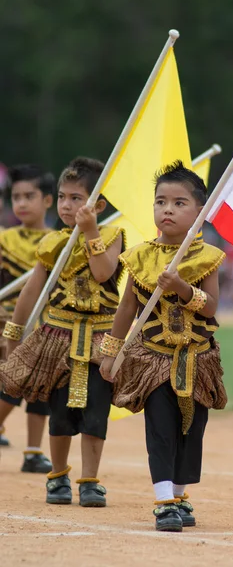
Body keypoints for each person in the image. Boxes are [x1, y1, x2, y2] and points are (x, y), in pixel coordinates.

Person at [100, 161, 227, 532]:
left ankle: (181, 495)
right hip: (153, 358)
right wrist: (110, 351)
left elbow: (213, 306)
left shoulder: (208, 257)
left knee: (192, 428)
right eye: (161, 202)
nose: (167, 209)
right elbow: (127, 308)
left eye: (179, 203)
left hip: (197, 358)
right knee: (160, 427)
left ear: (200, 212)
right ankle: (163, 500)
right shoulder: (139, 257)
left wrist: (183, 289)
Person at [0, 157, 125, 507]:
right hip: (57, 339)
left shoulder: (113, 236)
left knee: (95, 413)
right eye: (63, 197)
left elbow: (102, 274)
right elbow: (32, 291)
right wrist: (14, 331)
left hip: (99, 340)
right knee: (59, 412)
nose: (68, 205)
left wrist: (89, 232)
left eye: (76, 198)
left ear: (97, 205)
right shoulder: (52, 242)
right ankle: (57, 476)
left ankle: (89, 480)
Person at [0, 164, 54, 475]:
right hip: (6, 324)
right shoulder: (5, 239)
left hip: (45, 327)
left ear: (47, 200)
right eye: (16, 197)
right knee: (11, 385)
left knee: (41, 389)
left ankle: (33, 451)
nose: (21, 203)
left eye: (29, 196)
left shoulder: (59, 241)